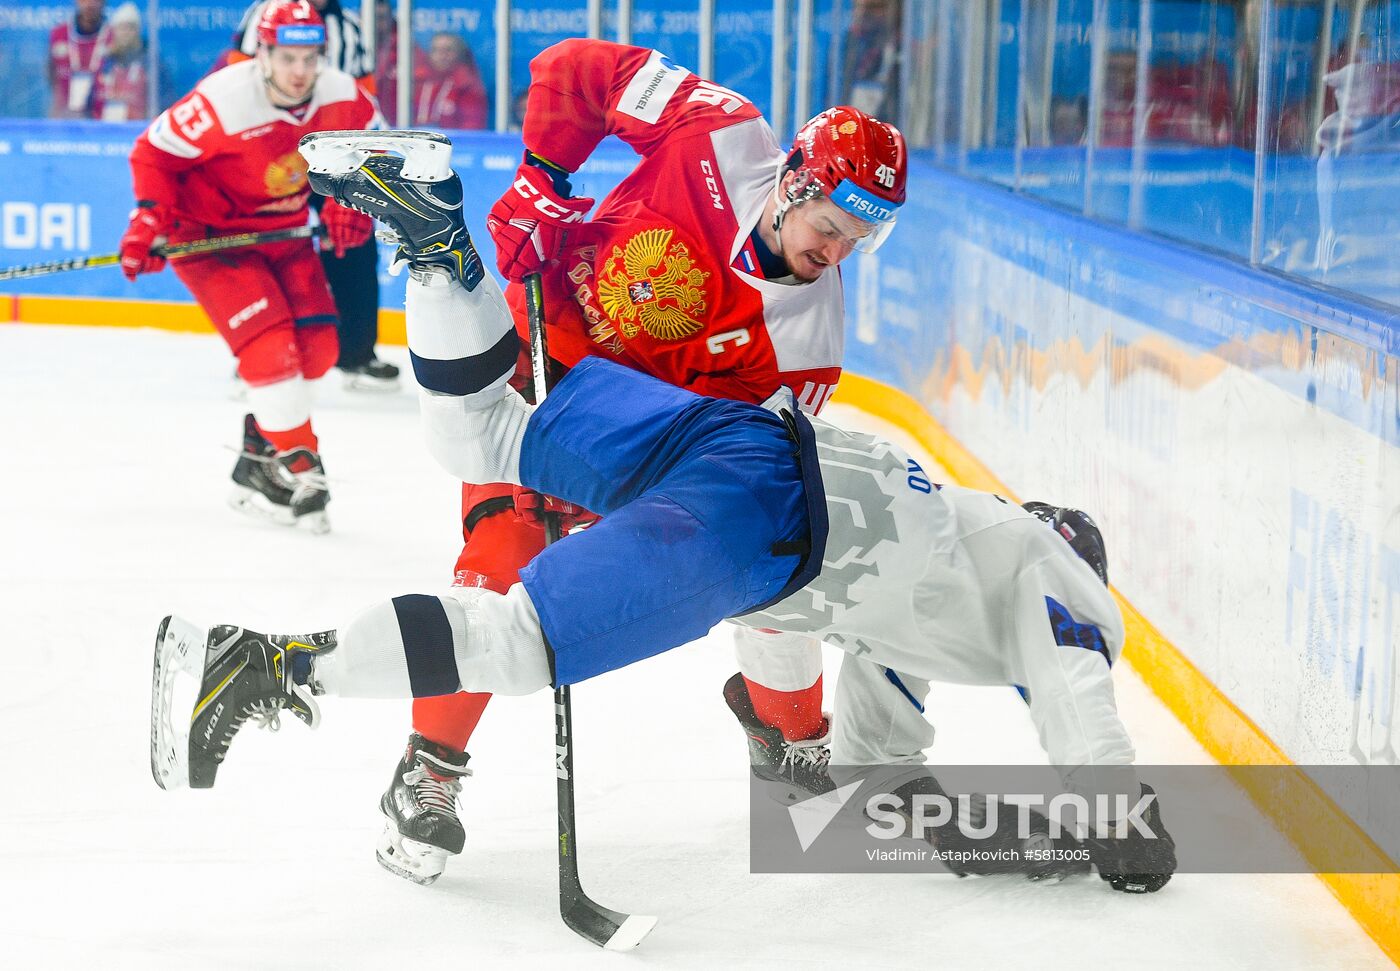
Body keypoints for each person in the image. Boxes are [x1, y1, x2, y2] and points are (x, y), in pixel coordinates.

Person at [149, 163, 1176, 894]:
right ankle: (260, 665)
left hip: (749, 447)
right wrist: (1120, 826)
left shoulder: (941, 557)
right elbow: (1076, 690)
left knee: (486, 431)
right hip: (764, 523)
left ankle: (436, 244)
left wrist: (894, 794)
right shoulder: (1049, 573)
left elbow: (869, 722)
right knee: (516, 637)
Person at [361, 37, 907, 885]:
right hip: (536, 359)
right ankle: (427, 768)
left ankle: (793, 743)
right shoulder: (721, 131)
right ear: (795, 182)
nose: (835, 254)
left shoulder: (806, 346)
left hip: (647, 441)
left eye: (857, 243)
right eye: (830, 227)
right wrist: (543, 177)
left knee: (776, 567)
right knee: (502, 560)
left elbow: (744, 478)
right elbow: (575, 68)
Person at [119, 0, 377, 532]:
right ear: (263, 54)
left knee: (320, 349)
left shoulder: (344, 94)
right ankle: (304, 467)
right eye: (288, 58)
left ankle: (258, 461)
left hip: (282, 233)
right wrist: (148, 220)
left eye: (311, 57)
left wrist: (350, 200)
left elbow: (374, 151)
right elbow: (152, 155)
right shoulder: (224, 99)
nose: (301, 71)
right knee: (272, 356)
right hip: (210, 238)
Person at [233, 0, 399, 392]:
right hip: (271, 150)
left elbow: (365, 102)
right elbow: (236, 82)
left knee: (353, 247)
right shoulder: (264, 14)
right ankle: (259, 352)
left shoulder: (350, 28)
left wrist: (358, 183)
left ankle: (357, 354)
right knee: (265, 250)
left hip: (335, 153)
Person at [88, 3, 165, 122]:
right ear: (114, 31)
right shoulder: (104, 63)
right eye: (121, 27)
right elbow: (90, 103)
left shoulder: (151, 64)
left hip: (137, 128)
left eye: (130, 27)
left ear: (137, 31)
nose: (126, 32)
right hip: (102, 131)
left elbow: (164, 100)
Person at [48, 0, 109, 120]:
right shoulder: (58, 34)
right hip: (64, 117)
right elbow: (51, 76)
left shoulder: (114, 37)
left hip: (101, 120)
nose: (89, 4)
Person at [415, 32, 487, 130]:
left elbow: (472, 129)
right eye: (436, 50)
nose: (442, 55)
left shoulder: (467, 86)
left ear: (460, 54)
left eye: (448, 50)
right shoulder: (418, 82)